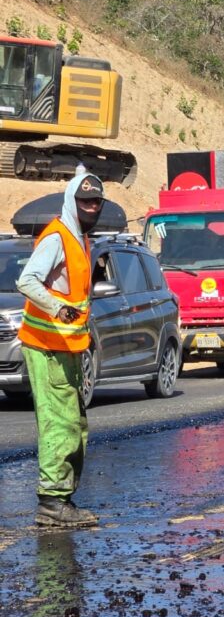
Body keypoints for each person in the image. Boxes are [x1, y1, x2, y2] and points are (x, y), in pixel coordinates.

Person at [16, 173, 106, 528]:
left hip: (67, 345)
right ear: (72, 202)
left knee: (75, 423)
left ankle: (61, 500)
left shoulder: (78, 237)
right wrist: (56, 308)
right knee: (60, 423)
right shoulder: (57, 237)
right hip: (47, 346)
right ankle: (52, 505)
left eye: (96, 202)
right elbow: (27, 280)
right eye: (85, 201)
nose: (92, 207)